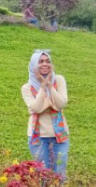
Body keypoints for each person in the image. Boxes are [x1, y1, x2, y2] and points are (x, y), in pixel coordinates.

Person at [21, 50, 69, 180]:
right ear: (33, 65)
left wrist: (49, 85)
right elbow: (36, 108)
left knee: (60, 173)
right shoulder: (26, 88)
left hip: (60, 136)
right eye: (40, 61)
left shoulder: (59, 80)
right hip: (38, 137)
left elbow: (60, 104)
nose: (45, 64)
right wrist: (42, 86)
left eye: (48, 61)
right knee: (43, 175)